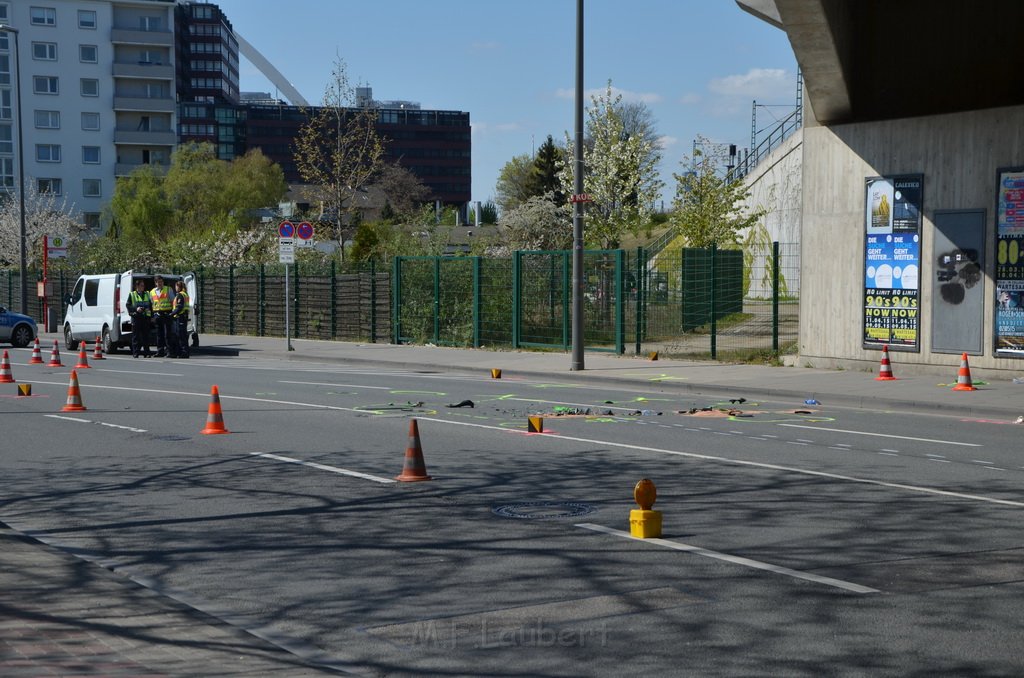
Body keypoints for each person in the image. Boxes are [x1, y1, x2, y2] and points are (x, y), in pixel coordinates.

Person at [149, 275, 176, 358]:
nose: (160, 283)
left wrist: (172, 313)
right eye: (158, 282)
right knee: (159, 335)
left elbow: (173, 301)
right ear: (155, 283)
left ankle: (169, 352)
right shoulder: (152, 292)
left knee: (167, 334)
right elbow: (152, 303)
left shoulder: (168, 289)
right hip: (157, 314)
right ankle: (160, 351)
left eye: (161, 282)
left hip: (166, 314)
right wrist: (152, 316)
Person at [127, 279, 153, 358]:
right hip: (136, 318)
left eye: (143, 285)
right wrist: (136, 309)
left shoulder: (147, 294)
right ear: (137, 286)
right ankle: (136, 352)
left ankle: (147, 352)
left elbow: (150, 305)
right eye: (141, 285)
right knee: (136, 337)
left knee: (146, 336)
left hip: (145, 318)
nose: (143, 287)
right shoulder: (132, 294)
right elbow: (128, 305)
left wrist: (151, 316)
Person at [170, 279, 191, 359]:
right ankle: (183, 352)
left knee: (180, 336)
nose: (175, 288)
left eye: (176, 286)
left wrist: (172, 314)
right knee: (182, 336)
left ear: (178, 287)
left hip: (180, 317)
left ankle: (183, 352)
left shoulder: (180, 295)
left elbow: (179, 307)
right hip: (183, 317)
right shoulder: (185, 294)